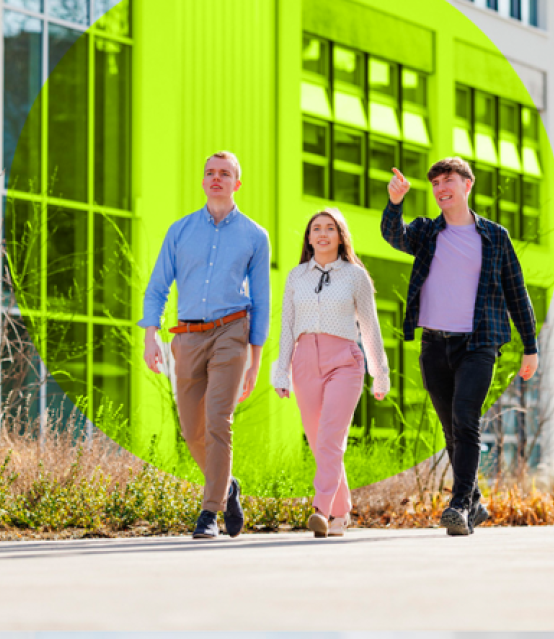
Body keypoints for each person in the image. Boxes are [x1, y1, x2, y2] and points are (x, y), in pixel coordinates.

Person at [382, 157, 538, 536]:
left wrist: (530, 345)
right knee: (451, 428)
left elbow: (517, 291)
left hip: (479, 343)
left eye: (448, 180)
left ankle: (459, 505)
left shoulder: (495, 236)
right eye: (434, 183)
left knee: (466, 421)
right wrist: (395, 203)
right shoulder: (425, 232)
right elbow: (393, 234)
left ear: (468, 185)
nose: (440, 188)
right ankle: (477, 501)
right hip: (434, 344)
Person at [139, 150, 270, 540]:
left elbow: (261, 299)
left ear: (237, 183)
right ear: (202, 181)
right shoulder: (180, 231)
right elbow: (158, 286)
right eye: (210, 173)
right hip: (187, 336)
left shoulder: (254, 235)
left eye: (225, 173)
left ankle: (208, 512)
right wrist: (151, 335)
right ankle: (227, 487)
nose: (217, 179)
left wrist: (255, 358)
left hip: (232, 331)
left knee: (218, 420)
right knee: (191, 427)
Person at [271, 208, 389, 538]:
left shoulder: (355, 276)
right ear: (309, 238)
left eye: (330, 228)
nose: (322, 233)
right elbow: (287, 326)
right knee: (320, 442)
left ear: (340, 236)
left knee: (331, 438)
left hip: (345, 361)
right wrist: (281, 371)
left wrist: (380, 372)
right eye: (316, 229)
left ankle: (319, 508)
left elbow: (370, 327)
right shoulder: (296, 276)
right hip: (304, 360)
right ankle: (341, 512)